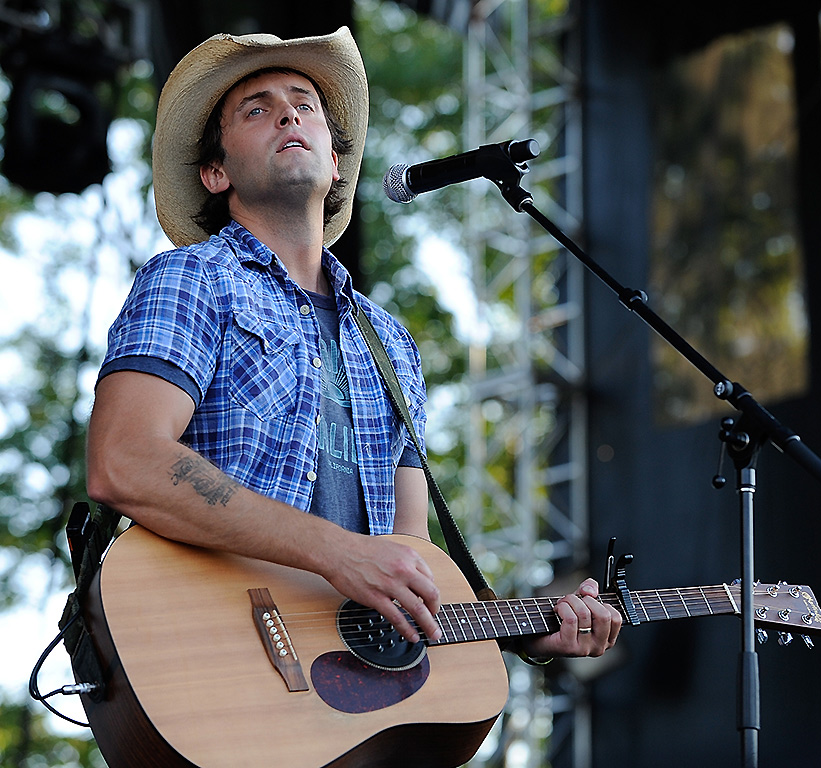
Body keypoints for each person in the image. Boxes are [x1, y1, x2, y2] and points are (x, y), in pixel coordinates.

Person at [86, 27, 620, 663]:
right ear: (215, 172)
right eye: (256, 108)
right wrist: (338, 552)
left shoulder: (390, 342)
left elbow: (411, 564)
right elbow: (123, 460)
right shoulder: (192, 278)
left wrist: (521, 630)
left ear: (336, 162)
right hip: (215, 658)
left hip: (349, 703)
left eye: (305, 103)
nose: (288, 112)